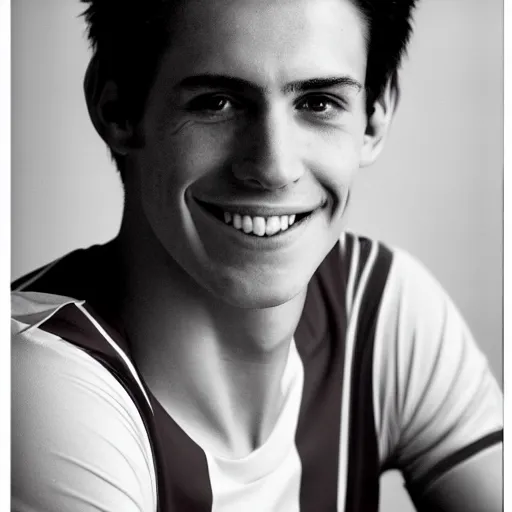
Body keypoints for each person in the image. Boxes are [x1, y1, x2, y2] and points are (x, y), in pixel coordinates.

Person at [11, 0, 503, 510]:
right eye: (217, 102)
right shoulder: (34, 382)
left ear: (374, 121)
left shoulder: (377, 311)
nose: (273, 166)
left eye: (318, 102)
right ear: (117, 109)